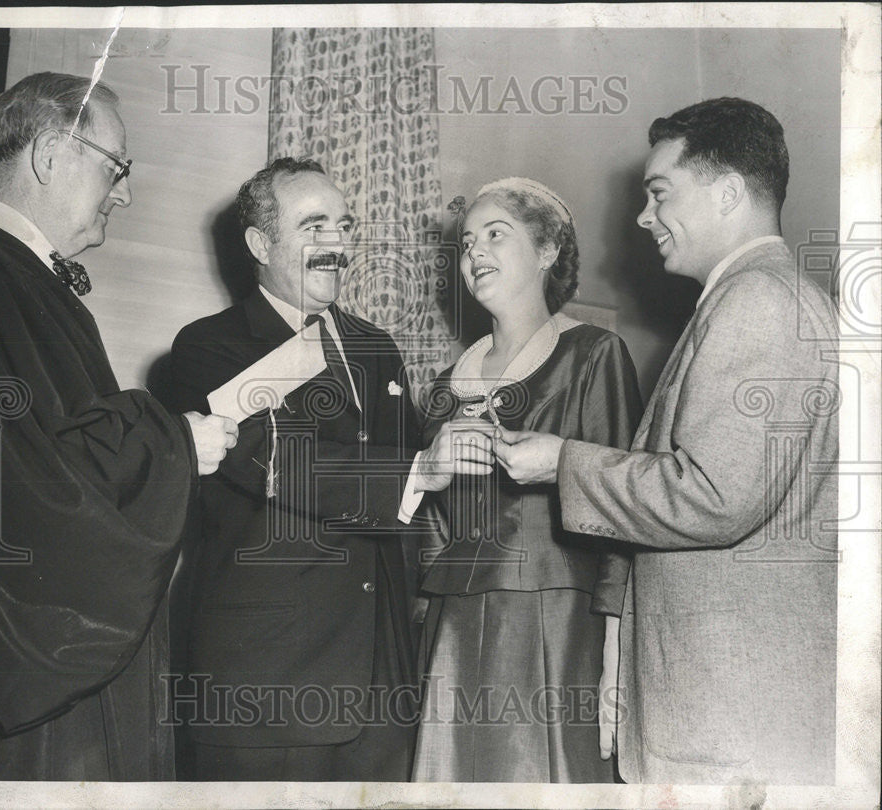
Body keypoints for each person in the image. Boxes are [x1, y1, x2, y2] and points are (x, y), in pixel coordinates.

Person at [0, 72, 238, 781]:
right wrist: (172, 445)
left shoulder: (16, 282)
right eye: (117, 169)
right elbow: (6, 492)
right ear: (50, 155)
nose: (127, 193)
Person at [493, 98, 838, 783]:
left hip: (734, 710)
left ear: (730, 191)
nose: (644, 217)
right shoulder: (766, 297)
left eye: (659, 193)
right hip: (738, 700)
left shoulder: (758, 302)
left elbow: (715, 497)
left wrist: (561, 460)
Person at [170, 157, 440, 781]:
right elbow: (276, 458)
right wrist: (422, 470)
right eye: (314, 226)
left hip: (381, 685)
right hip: (267, 687)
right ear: (260, 243)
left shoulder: (376, 347)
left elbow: (414, 492)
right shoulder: (211, 345)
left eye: (343, 226)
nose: (337, 244)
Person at [402, 178, 642, 782]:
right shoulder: (440, 388)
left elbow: (624, 513)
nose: (474, 252)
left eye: (495, 235)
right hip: (450, 631)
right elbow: (428, 532)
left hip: (562, 626)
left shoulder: (592, 355)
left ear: (547, 250)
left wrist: (616, 648)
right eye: (465, 243)